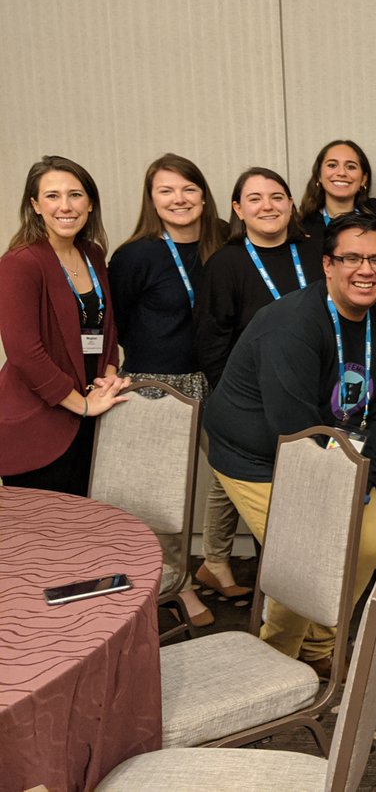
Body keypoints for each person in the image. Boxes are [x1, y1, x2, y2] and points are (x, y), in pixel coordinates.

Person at [203, 212, 376, 675]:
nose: (366, 269)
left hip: (340, 452)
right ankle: (277, 663)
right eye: (352, 258)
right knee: (305, 556)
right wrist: (337, 492)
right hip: (258, 455)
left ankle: (319, 645)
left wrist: (364, 476)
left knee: (369, 545)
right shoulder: (291, 324)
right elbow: (292, 426)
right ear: (328, 265)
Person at [108, 153, 242, 627]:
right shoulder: (134, 255)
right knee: (167, 494)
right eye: (165, 191)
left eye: (187, 189)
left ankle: (217, 560)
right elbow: (115, 323)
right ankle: (176, 584)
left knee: (237, 473)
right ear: (151, 199)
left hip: (217, 378)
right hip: (157, 384)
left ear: (203, 194)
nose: (178, 199)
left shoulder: (225, 239)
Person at [0, 156, 129, 492]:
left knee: (88, 535)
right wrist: (82, 404)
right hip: (39, 427)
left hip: (90, 420)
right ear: (35, 206)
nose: (65, 206)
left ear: (89, 203)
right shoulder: (21, 263)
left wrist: (108, 377)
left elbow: (107, 326)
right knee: (46, 539)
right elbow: (25, 353)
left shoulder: (93, 253)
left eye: (75, 195)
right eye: (52, 196)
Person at [194, 167, 323, 389]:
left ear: (290, 205)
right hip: (254, 392)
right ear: (239, 209)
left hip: (319, 383)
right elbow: (212, 345)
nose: (268, 206)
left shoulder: (318, 253)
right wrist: (235, 396)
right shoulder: (224, 264)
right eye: (255, 199)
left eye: (277, 197)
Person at [297, 139, 376, 245]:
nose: (341, 173)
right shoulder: (302, 226)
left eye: (351, 167)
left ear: (363, 179)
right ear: (319, 175)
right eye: (332, 165)